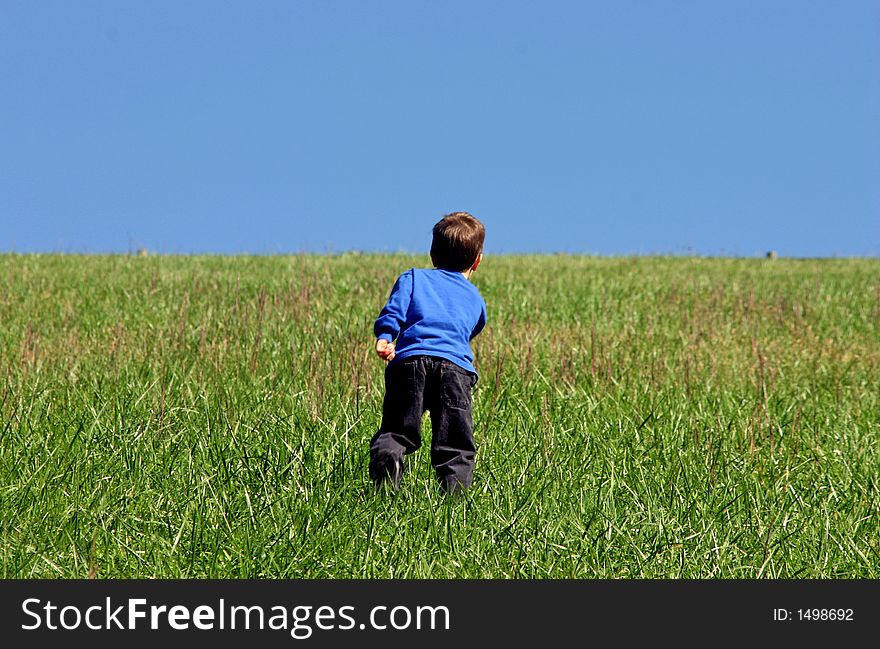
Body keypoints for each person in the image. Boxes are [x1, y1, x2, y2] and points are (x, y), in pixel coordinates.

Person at [369, 212, 487, 494]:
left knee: (397, 429)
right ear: (477, 261)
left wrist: (386, 336)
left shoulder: (412, 278)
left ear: (432, 254)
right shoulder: (475, 299)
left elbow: (394, 311)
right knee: (455, 443)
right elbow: (472, 328)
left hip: (409, 363)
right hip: (456, 371)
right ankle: (453, 505)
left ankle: (388, 471)